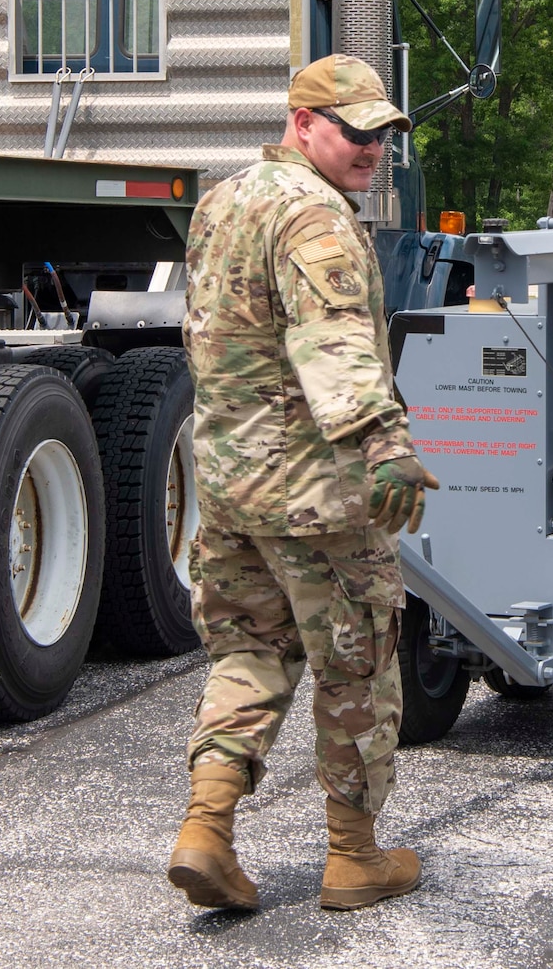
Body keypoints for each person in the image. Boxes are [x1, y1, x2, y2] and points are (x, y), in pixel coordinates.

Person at [168, 53, 439, 915]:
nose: (371, 149)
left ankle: (205, 831)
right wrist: (384, 443)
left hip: (232, 484)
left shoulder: (222, 199)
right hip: (316, 491)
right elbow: (335, 343)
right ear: (303, 122)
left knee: (248, 652)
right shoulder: (316, 216)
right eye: (354, 131)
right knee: (357, 665)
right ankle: (353, 856)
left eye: (382, 134)